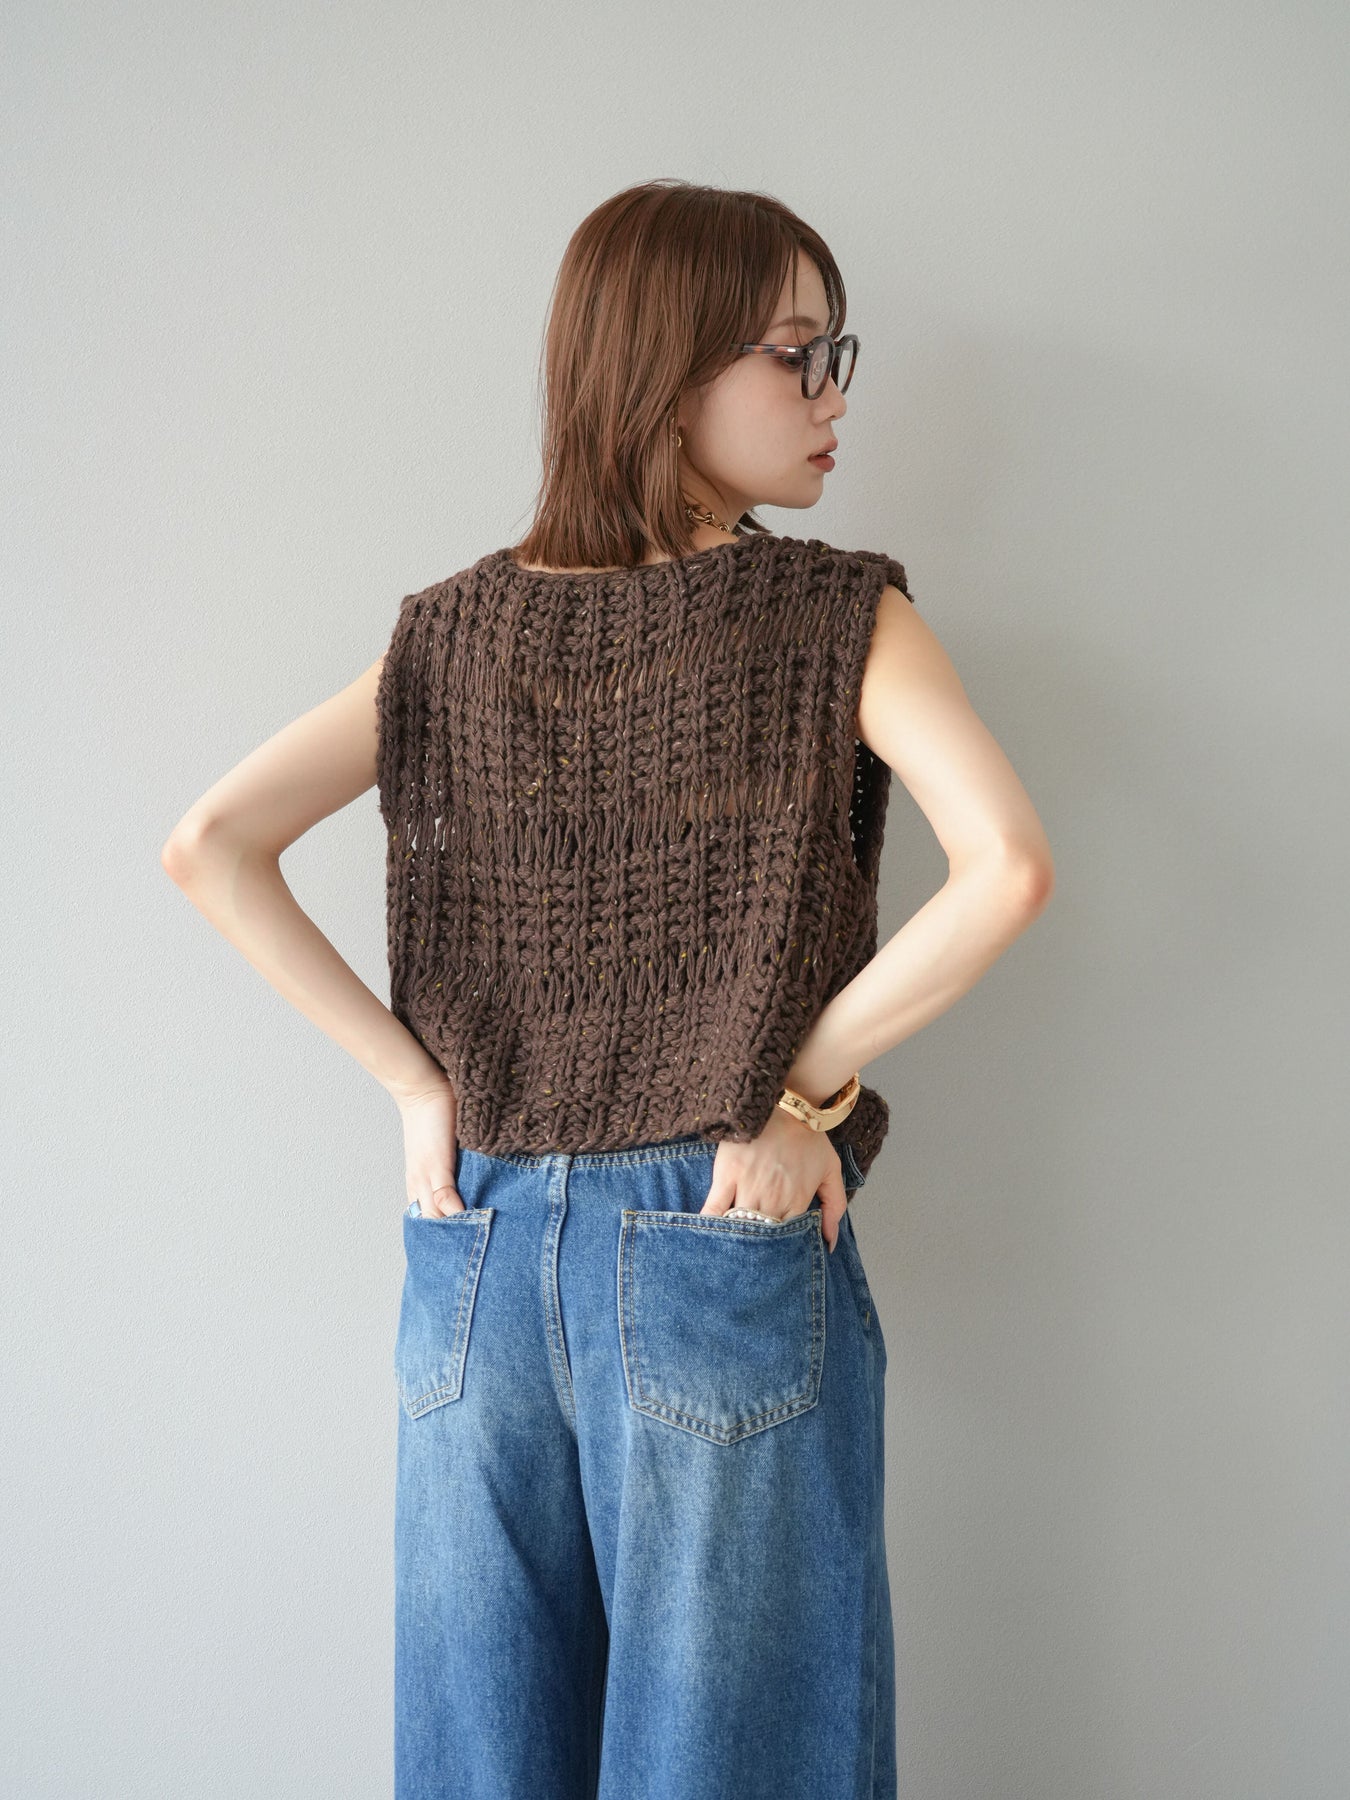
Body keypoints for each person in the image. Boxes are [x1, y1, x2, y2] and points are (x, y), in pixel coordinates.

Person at [162, 179, 1054, 1800]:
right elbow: (1004, 866)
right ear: (664, 371)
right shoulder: (834, 613)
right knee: (740, 1763)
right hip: (715, 1239)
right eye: (797, 352)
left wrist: (417, 1086)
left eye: (835, 353)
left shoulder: (447, 636)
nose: (833, 393)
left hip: (479, 1249)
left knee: (481, 1758)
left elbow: (211, 845)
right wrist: (802, 1092)